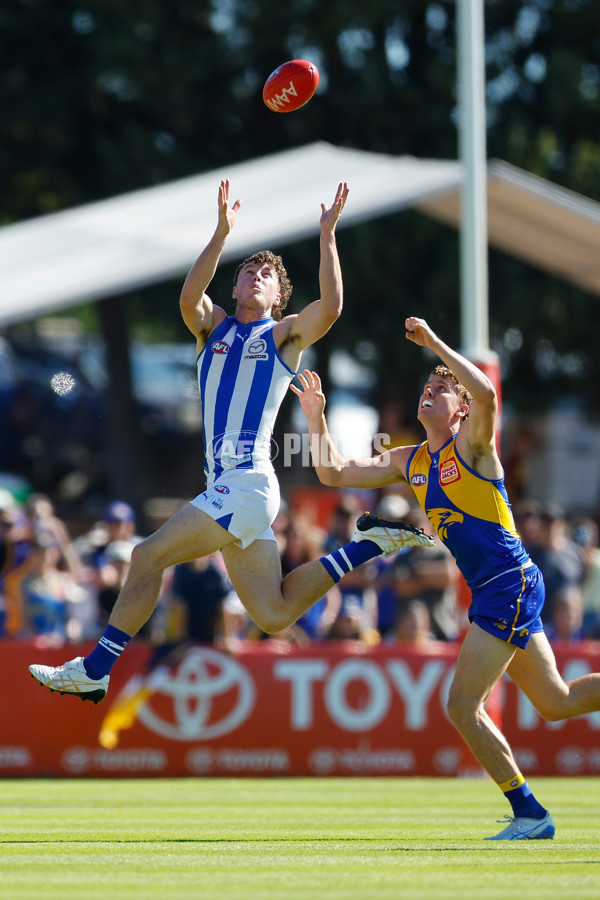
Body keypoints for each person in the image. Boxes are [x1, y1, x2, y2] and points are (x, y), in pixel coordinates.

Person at [29, 180, 432, 704]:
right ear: (236, 288)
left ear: (277, 298)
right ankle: (369, 546)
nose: (256, 276)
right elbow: (189, 297)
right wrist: (221, 234)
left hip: (248, 483)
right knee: (275, 612)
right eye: (248, 272)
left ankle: (98, 667)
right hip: (231, 488)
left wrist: (328, 235)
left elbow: (330, 308)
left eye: (266, 275)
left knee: (148, 555)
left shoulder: (283, 335)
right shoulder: (212, 329)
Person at [292, 315, 600, 841]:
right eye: (426, 387)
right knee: (557, 703)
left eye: (440, 390)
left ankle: (529, 813)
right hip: (504, 588)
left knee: (461, 705)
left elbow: (486, 395)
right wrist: (317, 419)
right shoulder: (411, 460)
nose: (429, 393)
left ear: (459, 411)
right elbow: (332, 474)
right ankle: (530, 814)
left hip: (509, 583)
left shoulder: (474, 447)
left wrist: (434, 343)